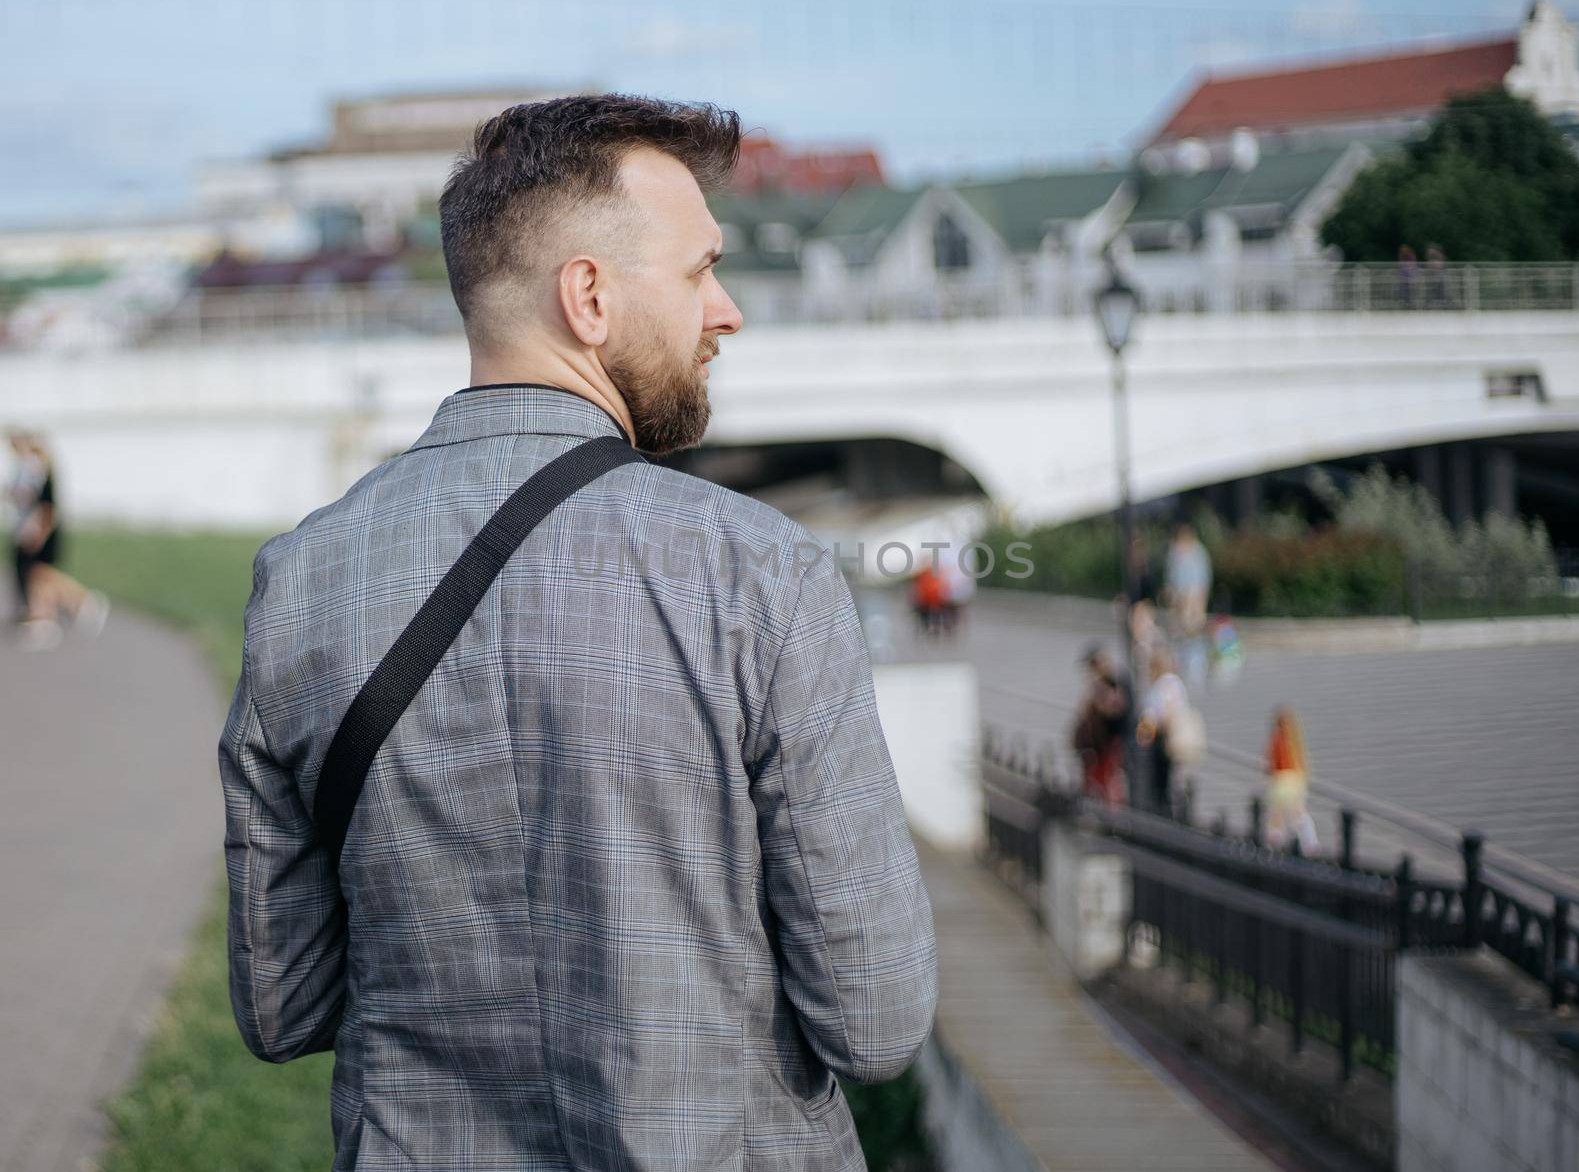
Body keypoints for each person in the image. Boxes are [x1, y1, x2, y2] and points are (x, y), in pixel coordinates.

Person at [218, 96, 938, 1172]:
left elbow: (284, 1006)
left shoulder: (300, 582)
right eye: (700, 272)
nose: (726, 310)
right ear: (589, 297)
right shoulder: (760, 573)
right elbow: (873, 1021)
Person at [6, 431, 108, 650]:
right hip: (38, 532)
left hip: (43, 533)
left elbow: (47, 508)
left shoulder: (42, 473)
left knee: (43, 576)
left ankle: (83, 603)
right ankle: (45, 621)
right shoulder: (41, 471)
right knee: (39, 578)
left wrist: (38, 536)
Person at [1137, 647, 1203, 817]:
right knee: (1175, 781)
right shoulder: (1176, 683)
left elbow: (1154, 716)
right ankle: (1176, 813)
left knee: (1161, 782)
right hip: (1175, 740)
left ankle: (1162, 815)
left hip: (1163, 741)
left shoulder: (1159, 687)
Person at [1069, 644, 1128, 806]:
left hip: (1105, 745)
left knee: (1107, 782)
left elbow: (1113, 711)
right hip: (1094, 747)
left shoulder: (1110, 685)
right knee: (1094, 781)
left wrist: (1095, 697)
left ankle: (1111, 815)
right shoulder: (1100, 685)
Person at [1263, 706, 1318, 852]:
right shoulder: (1295, 740)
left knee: (1276, 818)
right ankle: (1310, 845)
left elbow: (1270, 765)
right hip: (1296, 781)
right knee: (1299, 815)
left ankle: (1274, 848)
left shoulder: (1277, 740)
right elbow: (1302, 765)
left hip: (1281, 781)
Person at [1163, 522, 1211, 686]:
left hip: (1192, 600)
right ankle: (1181, 668)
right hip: (1178, 602)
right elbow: (1171, 580)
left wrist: (1197, 605)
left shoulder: (1198, 554)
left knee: (1194, 634)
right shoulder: (1175, 553)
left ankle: (1197, 669)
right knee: (1179, 635)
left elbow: (1202, 583)